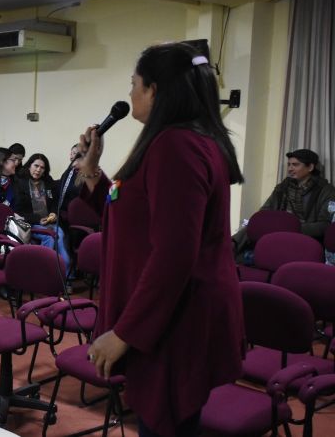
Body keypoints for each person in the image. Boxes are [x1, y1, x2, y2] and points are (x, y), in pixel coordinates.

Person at [80, 42, 244, 437]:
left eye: (133, 83)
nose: (130, 92)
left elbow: (174, 255)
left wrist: (124, 333)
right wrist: (92, 170)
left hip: (173, 320)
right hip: (172, 312)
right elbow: (134, 217)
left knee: (167, 425)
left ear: (155, 90)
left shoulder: (176, 146)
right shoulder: (185, 140)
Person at [232, 149, 335, 255]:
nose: (290, 169)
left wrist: (291, 227)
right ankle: (230, 245)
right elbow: (264, 211)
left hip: (304, 236)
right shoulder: (284, 186)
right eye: (289, 165)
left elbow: (325, 225)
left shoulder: (326, 190)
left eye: (295, 165)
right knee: (254, 224)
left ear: (310, 167)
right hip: (279, 229)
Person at [13, 153, 70, 277]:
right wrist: (38, 220)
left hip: (49, 222)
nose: (38, 170)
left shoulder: (48, 182)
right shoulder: (20, 183)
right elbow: (19, 211)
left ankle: (66, 275)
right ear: (29, 166)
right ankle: (44, 272)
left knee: (60, 233)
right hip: (30, 223)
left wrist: (54, 213)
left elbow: (55, 203)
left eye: (42, 168)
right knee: (50, 237)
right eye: (36, 166)